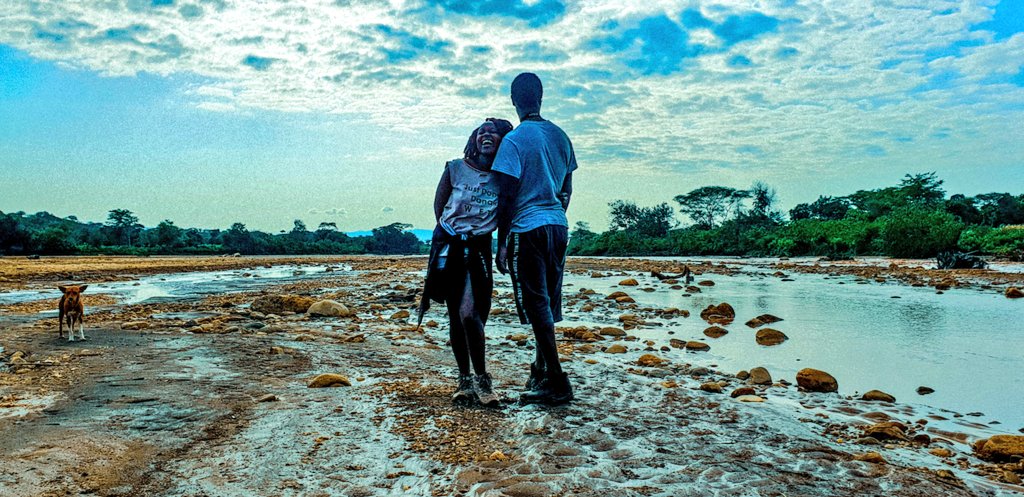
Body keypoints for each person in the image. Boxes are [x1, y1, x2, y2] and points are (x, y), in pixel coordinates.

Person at [493, 73, 577, 405]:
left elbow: (507, 197)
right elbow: (567, 188)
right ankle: (540, 370)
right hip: (558, 225)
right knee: (549, 301)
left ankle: (556, 379)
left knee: (535, 303)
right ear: (541, 97)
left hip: (527, 227)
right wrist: (554, 209)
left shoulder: (514, 141)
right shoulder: (560, 136)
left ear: (514, 100)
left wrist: (502, 241)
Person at [422, 117, 513, 407]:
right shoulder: (454, 168)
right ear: (474, 140)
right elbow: (439, 206)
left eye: (493, 133)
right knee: (455, 315)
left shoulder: (505, 176)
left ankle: (483, 379)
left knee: (471, 314)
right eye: (481, 133)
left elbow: (506, 217)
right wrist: (450, 234)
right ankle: (465, 381)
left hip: (479, 248)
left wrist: (502, 250)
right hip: (449, 244)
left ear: (503, 140)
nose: (486, 136)